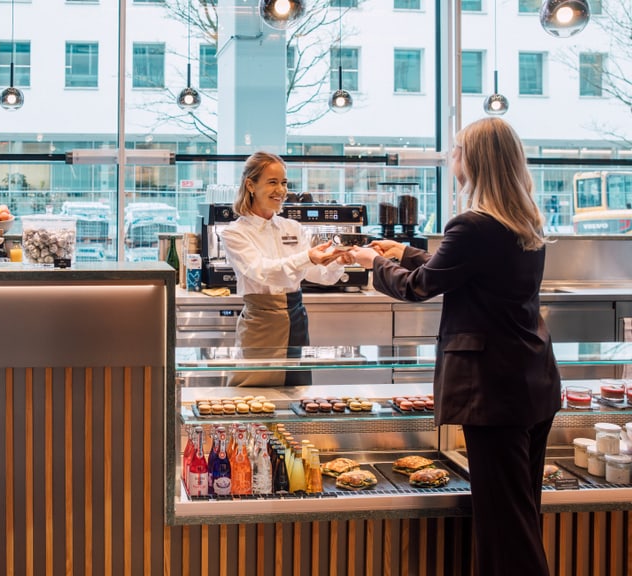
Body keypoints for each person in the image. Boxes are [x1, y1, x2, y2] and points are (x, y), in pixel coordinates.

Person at [351, 117, 561, 576]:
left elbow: (419, 287)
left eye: (457, 151)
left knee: (506, 530)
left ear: (475, 161)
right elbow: (460, 267)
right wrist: (403, 252)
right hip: (533, 384)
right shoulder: (523, 219)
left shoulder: (472, 225)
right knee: (519, 515)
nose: (452, 159)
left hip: (493, 394)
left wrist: (373, 262)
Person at [220, 151, 353, 386]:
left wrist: (337, 262)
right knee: (252, 393)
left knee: (297, 391)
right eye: (272, 182)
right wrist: (308, 257)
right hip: (261, 322)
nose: (281, 190)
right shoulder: (234, 233)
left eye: (284, 183)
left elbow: (319, 275)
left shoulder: (292, 227)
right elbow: (262, 271)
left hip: (296, 319)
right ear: (250, 185)